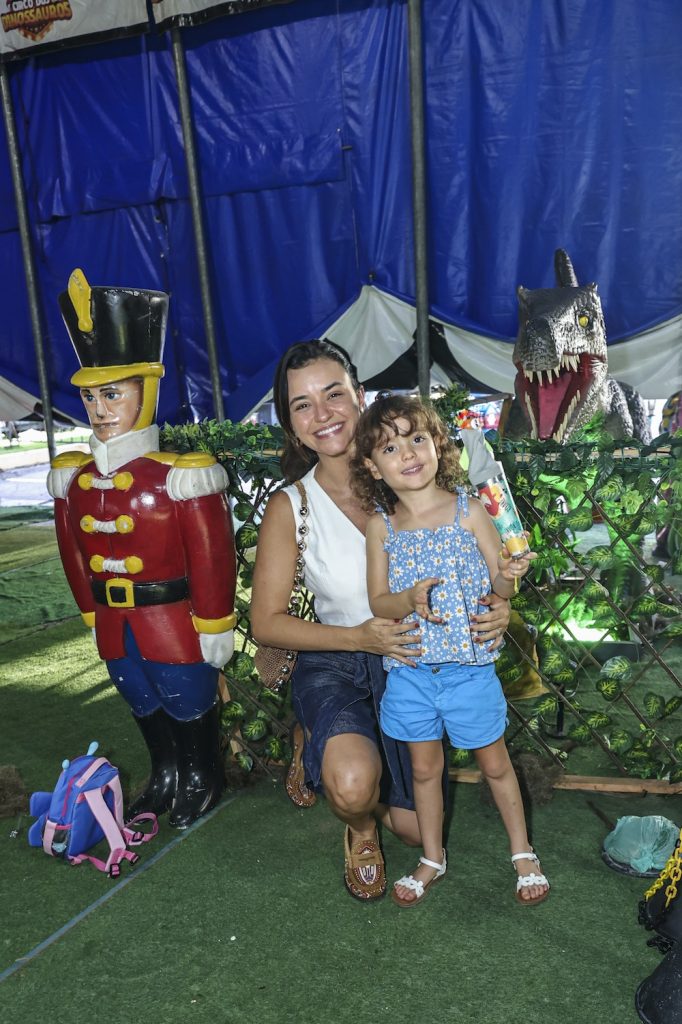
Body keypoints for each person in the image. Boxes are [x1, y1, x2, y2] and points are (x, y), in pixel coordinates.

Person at [250, 339, 512, 901]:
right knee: (353, 787)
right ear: (291, 425)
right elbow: (266, 623)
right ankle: (359, 823)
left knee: (419, 830)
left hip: (413, 664)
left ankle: (330, 750)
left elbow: (484, 562)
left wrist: (501, 604)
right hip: (337, 659)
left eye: (333, 394)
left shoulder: (417, 477)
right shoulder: (290, 506)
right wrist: (358, 637)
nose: (323, 414)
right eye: (302, 405)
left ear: (359, 396)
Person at [47, 269, 237, 829]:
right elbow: (71, 550)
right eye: (90, 396)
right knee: (138, 695)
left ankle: (202, 774)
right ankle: (166, 773)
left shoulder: (183, 476)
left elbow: (211, 556)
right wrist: (90, 610)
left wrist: (215, 622)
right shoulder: (74, 478)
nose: (99, 408)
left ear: (146, 391)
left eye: (113, 393)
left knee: (186, 695)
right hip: (114, 620)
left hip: (169, 618)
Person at [349, 393, 549, 907]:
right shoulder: (381, 526)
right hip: (412, 671)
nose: (407, 453)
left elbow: (499, 590)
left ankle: (522, 852)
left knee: (495, 765)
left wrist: (508, 573)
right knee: (424, 770)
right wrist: (408, 600)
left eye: (417, 438)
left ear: (438, 444)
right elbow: (378, 601)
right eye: (389, 447)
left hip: (469, 670)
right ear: (371, 466)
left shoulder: (471, 510)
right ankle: (432, 857)